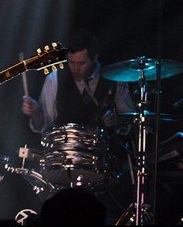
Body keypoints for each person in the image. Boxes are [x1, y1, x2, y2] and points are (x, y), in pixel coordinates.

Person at [21, 28, 136, 223]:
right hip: (64, 161)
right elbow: (44, 127)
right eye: (71, 63)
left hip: (104, 164)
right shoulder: (55, 78)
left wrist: (117, 120)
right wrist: (36, 113)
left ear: (95, 58)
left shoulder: (115, 79)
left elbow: (130, 120)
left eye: (82, 63)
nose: (76, 69)